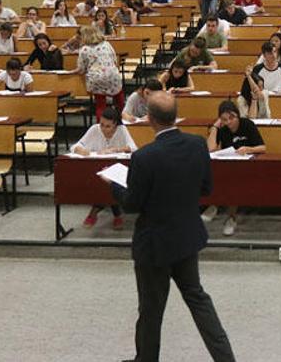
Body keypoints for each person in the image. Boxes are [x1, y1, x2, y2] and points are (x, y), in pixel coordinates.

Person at [103, 91, 236, 361]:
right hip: (186, 236)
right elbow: (206, 188)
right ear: (176, 115)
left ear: (150, 119)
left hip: (154, 245)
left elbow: (131, 204)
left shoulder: (145, 157)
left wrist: (116, 186)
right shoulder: (197, 145)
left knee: (151, 309)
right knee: (198, 299)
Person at [201, 101, 267, 234]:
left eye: (232, 118)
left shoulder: (247, 124)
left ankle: (231, 218)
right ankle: (214, 205)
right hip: (229, 163)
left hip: (247, 164)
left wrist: (248, 149)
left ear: (237, 115)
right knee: (213, 171)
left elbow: (263, 148)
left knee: (233, 180)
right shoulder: (223, 129)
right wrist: (215, 127)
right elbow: (211, 149)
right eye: (224, 120)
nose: (229, 122)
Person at [74, 106, 135, 230]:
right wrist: (80, 150)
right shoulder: (94, 129)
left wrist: (115, 149)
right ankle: (116, 214)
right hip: (96, 167)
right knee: (99, 180)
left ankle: (96, 211)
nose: (103, 129)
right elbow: (77, 145)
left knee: (111, 182)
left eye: (108, 126)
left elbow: (133, 148)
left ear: (116, 125)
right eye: (102, 124)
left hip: (117, 168)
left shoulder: (122, 130)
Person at [74, 26, 124, 120]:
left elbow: (81, 69)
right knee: (119, 97)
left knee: (100, 104)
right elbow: (114, 59)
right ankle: (123, 118)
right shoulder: (106, 44)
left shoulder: (84, 49)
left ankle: (101, 127)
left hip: (96, 77)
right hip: (112, 74)